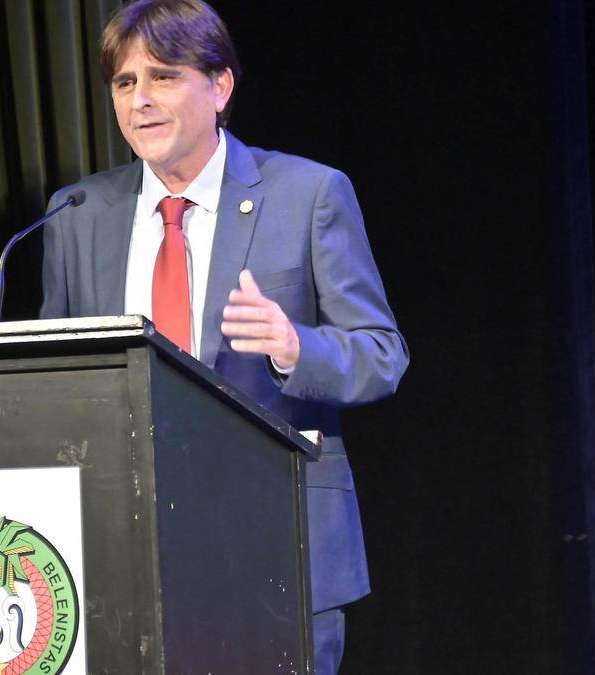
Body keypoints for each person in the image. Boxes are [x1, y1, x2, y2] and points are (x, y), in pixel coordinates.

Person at [39, 1, 409, 671]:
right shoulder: (78, 214)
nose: (140, 101)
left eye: (163, 77)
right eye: (124, 83)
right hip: (120, 557)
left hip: (277, 551)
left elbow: (382, 354)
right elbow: (51, 380)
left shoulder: (309, 194)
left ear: (220, 86)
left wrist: (296, 346)